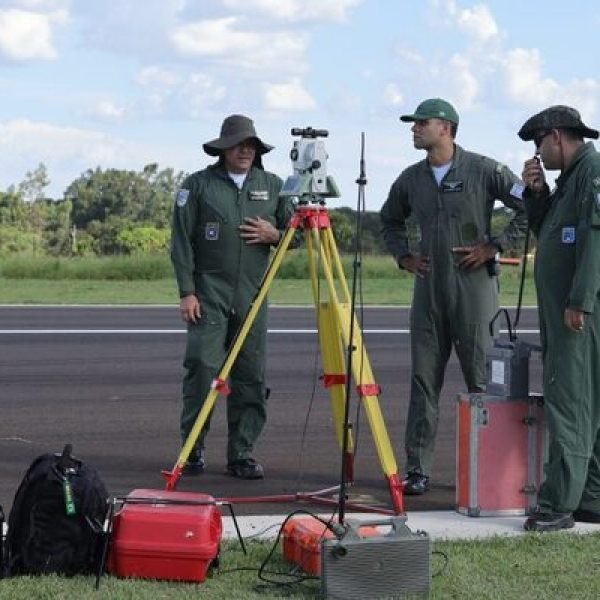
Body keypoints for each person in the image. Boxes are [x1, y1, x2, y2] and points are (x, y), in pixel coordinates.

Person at [380, 98, 528, 494]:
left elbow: (528, 205)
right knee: (423, 382)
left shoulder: (483, 169)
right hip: (428, 293)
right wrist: (404, 256)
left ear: (445, 127)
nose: (414, 129)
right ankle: (417, 468)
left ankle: (491, 469)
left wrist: (495, 245)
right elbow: (389, 220)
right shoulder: (411, 179)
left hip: (474, 290)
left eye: (421, 123)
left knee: (482, 380)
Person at [170, 114, 294, 479]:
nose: (245, 150)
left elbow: (298, 231)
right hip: (208, 294)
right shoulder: (197, 185)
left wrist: (276, 235)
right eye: (239, 144)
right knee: (203, 368)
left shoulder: (275, 186)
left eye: (251, 145)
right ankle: (192, 448)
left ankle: (242, 452)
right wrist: (186, 292)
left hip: (254, 296)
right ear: (224, 148)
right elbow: (180, 243)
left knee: (251, 374)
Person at [518, 105, 600, 531]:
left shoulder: (592, 172)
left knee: (568, 401)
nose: (538, 154)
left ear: (555, 136)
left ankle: (557, 505)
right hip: (568, 309)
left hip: (577, 312)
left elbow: (595, 240)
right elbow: (551, 232)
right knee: (588, 402)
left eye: (538, 144)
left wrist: (581, 299)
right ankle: (591, 497)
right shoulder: (570, 179)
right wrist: (537, 193)